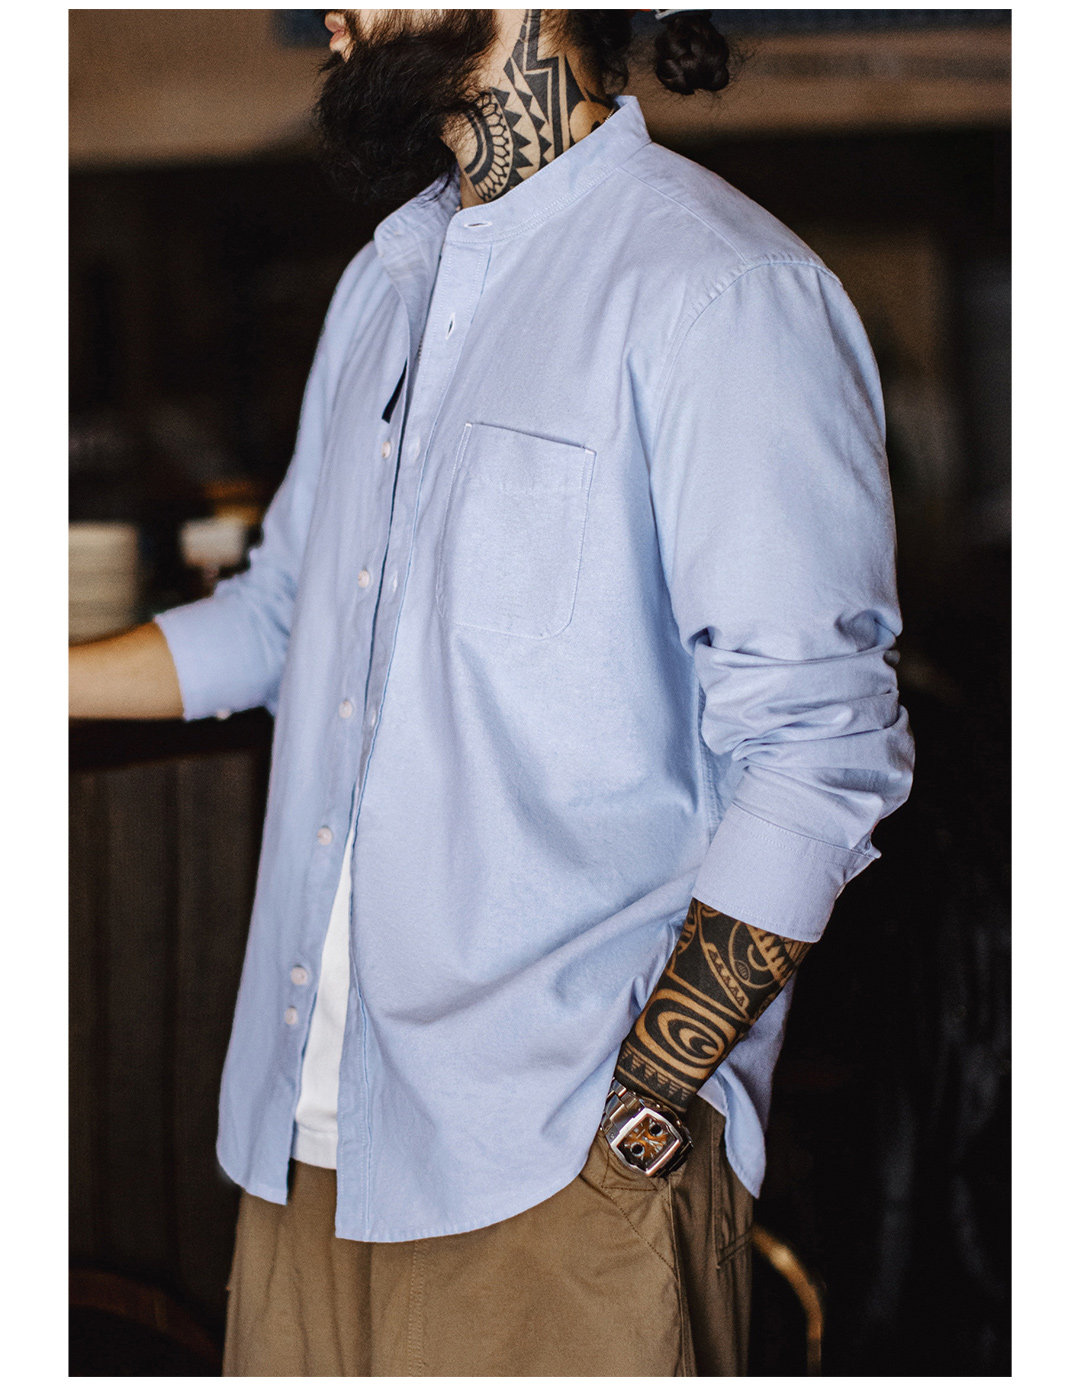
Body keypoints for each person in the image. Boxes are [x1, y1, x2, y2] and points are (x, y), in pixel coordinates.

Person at [69, 8, 914, 1376]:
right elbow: (284, 618)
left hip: (559, 1169)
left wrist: (643, 1109)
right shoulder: (383, 280)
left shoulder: (721, 288)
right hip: (308, 1146)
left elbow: (820, 753)